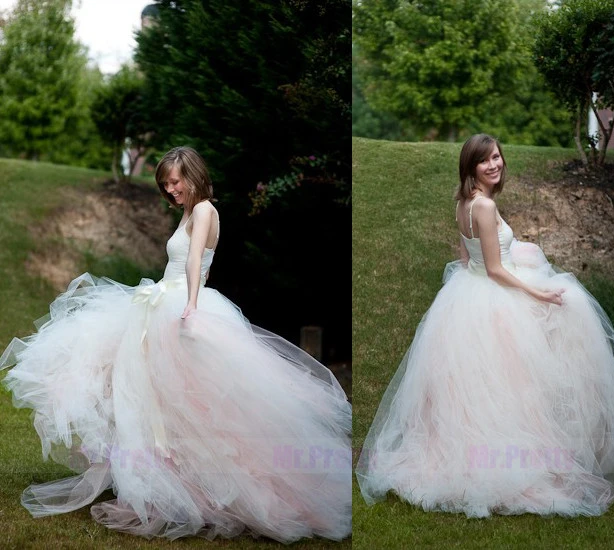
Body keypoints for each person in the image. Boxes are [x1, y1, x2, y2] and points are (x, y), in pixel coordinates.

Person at [0, 146, 351, 542]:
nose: (170, 189)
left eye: (175, 181)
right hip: (162, 301)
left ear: (195, 175)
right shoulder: (188, 211)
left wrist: (191, 307)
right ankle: (158, 476)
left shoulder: (203, 211)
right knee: (147, 394)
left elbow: (195, 260)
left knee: (188, 402)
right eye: (165, 184)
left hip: (182, 304)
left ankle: (200, 484)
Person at [355, 134, 614, 518]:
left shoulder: (463, 203)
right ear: (471, 167)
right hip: (493, 296)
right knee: (514, 383)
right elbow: (494, 269)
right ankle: (514, 461)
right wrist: (539, 294)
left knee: (480, 390)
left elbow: (466, 260)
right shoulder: (485, 206)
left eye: (496, 157)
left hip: (467, 294)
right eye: (484, 161)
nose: (494, 165)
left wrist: (516, 259)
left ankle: (473, 453)